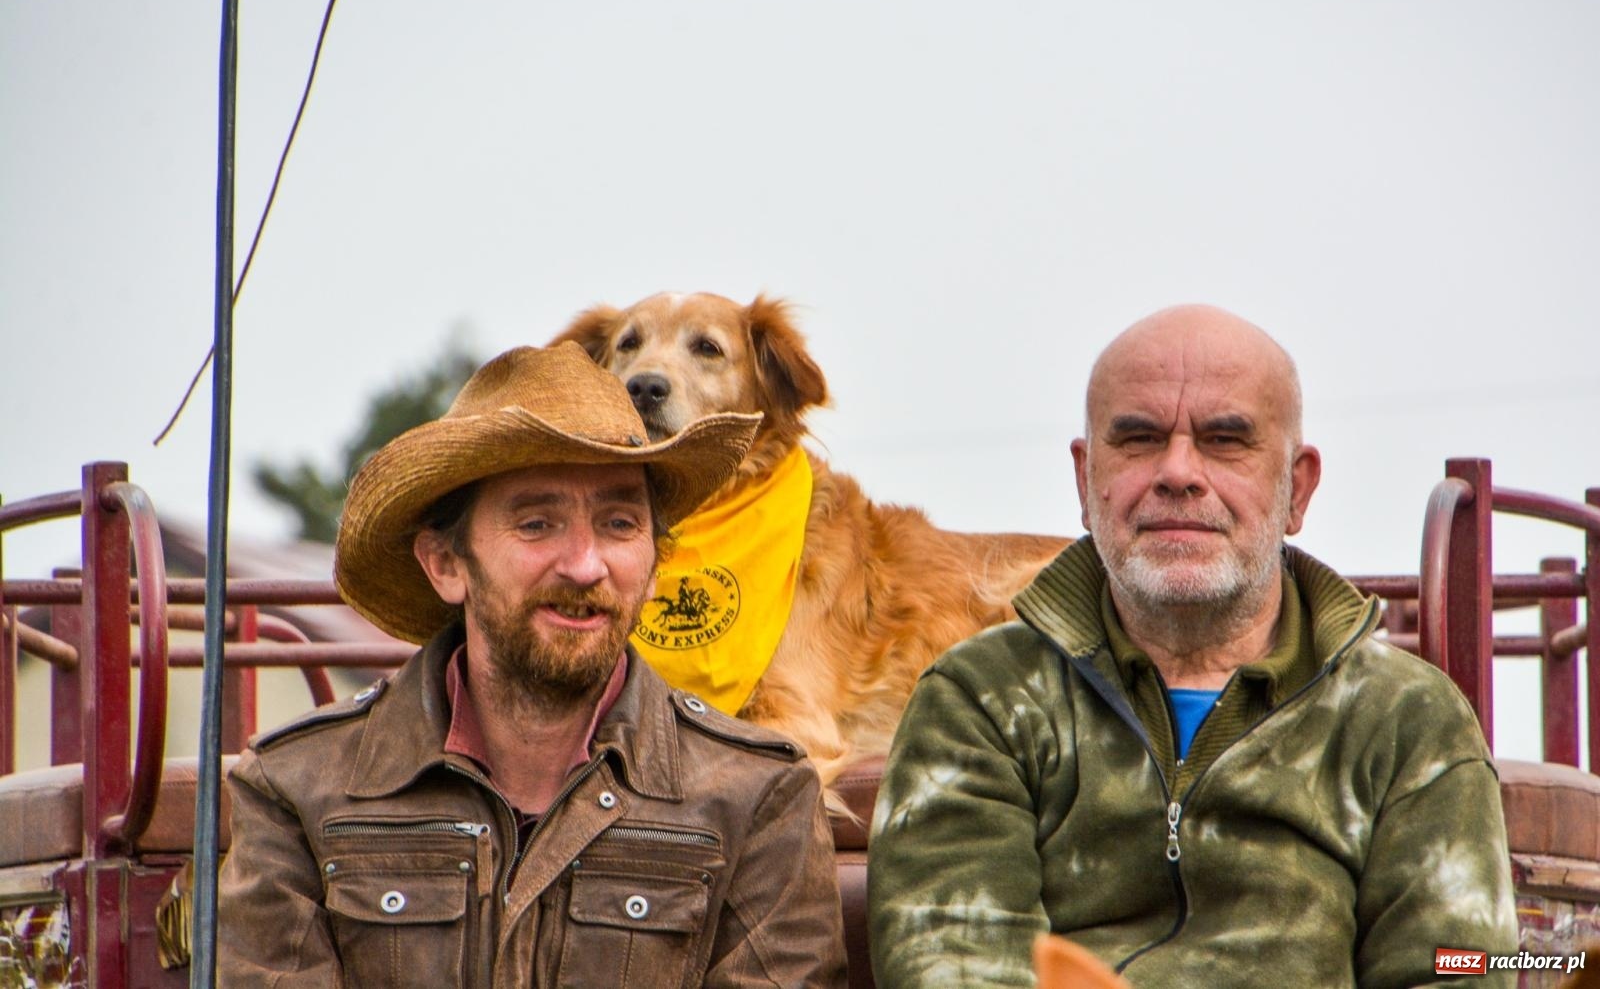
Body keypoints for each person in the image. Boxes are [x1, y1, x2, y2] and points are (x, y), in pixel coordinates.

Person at [867, 305, 1518, 988]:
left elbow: (1456, 972)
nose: (1178, 471)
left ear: (1296, 487)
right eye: (1140, 438)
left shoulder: (1405, 718)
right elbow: (955, 970)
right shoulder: (982, 701)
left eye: (1225, 440)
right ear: (1086, 481)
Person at [218, 342, 848, 987]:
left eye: (620, 523)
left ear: (658, 564)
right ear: (445, 563)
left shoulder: (759, 796)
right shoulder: (295, 787)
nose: (584, 564)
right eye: (537, 523)